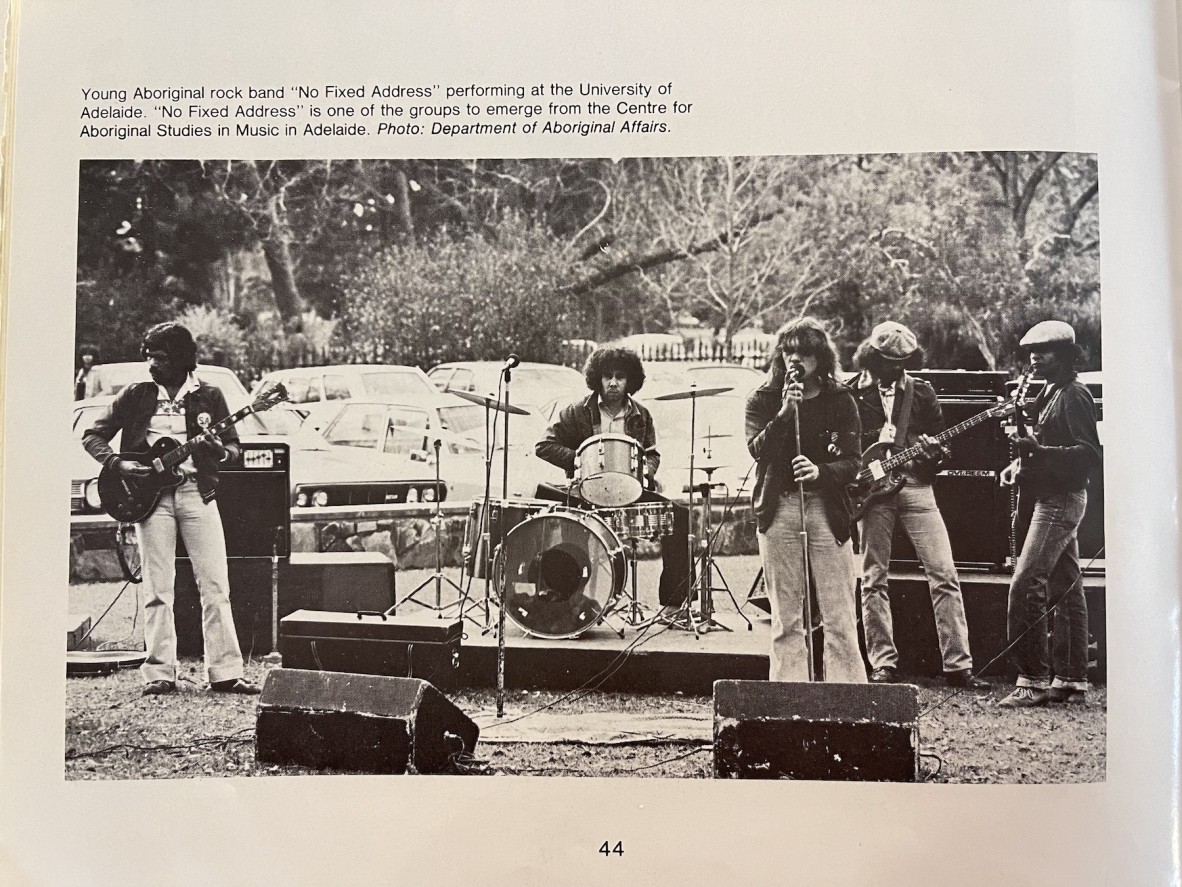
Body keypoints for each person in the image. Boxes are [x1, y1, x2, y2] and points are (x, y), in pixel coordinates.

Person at [82, 322, 260, 696]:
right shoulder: (136, 393)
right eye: (149, 354)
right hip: (151, 500)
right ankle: (159, 673)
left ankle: (226, 672)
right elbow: (92, 434)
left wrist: (215, 450)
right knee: (157, 586)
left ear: (181, 358)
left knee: (215, 584)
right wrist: (118, 464)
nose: (151, 362)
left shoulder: (210, 395)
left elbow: (233, 450)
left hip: (199, 494)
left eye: (159, 357)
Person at [847, 321, 989, 689]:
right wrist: (858, 476)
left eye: (903, 362)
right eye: (889, 361)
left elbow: (942, 453)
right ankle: (882, 662)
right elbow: (844, 449)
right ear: (872, 358)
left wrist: (933, 455)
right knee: (872, 577)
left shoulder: (921, 393)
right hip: (873, 494)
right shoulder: (850, 393)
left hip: (916, 486)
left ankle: (958, 665)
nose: (897, 369)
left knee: (944, 573)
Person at [745, 317, 865, 682]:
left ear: (821, 357)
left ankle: (847, 697)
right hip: (779, 507)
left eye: (805, 352)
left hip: (825, 509)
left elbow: (854, 462)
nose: (795, 358)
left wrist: (821, 472)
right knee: (786, 615)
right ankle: (787, 696)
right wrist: (784, 414)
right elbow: (757, 451)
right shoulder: (763, 399)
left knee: (839, 612)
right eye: (788, 350)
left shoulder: (840, 399)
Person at [535, 346, 691, 620]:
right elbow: (544, 445)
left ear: (630, 380)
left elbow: (652, 453)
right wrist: (579, 460)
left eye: (620, 376)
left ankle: (673, 605)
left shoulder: (641, 415)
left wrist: (647, 471)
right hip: (586, 495)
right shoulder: (577, 411)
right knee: (559, 525)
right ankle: (568, 604)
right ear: (598, 378)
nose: (614, 383)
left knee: (679, 517)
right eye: (608, 376)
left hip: (630, 495)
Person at [998, 320, 1102, 708]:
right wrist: (1022, 462)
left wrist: (1037, 454)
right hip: (1054, 496)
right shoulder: (1051, 391)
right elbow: (1045, 446)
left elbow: (1088, 455)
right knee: (1067, 586)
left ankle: (1033, 680)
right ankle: (1072, 679)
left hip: (1060, 501)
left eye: (1044, 351)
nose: (1035, 358)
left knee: (1026, 584)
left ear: (1066, 356)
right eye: (1031, 352)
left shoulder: (1074, 395)